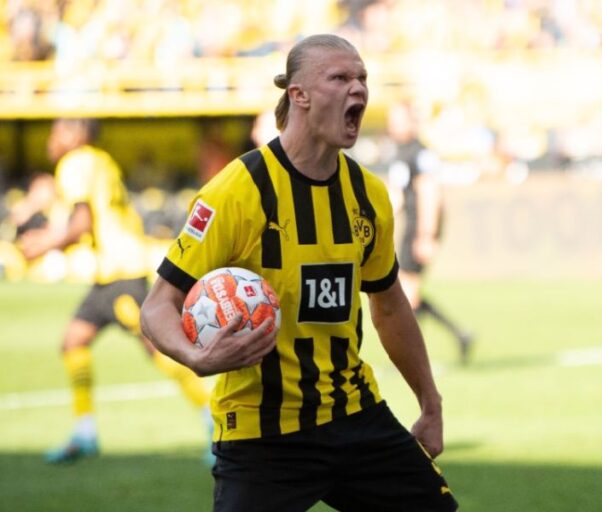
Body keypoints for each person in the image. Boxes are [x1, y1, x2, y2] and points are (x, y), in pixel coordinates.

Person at [140, 34, 458, 511]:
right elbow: (158, 305)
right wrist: (195, 357)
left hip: (354, 414)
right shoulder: (234, 192)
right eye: (340, 77)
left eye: (362, 78)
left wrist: (429, 403)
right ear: (299, 95)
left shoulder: (367, 195)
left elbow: (390, 307)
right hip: (261, 433)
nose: (358, 89)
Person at [18, 118, 214, 465]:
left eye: (57, 131)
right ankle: (85, 432)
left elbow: (81, 225)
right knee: (74, 341)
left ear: (77, 134)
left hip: (121, 273)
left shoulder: (75, 162)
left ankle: (212, 420)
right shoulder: (99, 159)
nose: (50, 139)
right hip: (109, 275)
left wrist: (44, 243)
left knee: (160, 349)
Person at [386, 100, 474, 365]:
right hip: (410, 228)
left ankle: (414, 358)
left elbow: (429, 192)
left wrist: (426, 234)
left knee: (406, 293)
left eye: (399, 119)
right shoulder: (402, 152)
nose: (393, 126)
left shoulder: (420, 153)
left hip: (418, 228)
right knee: (407, 293)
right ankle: (459, 335)